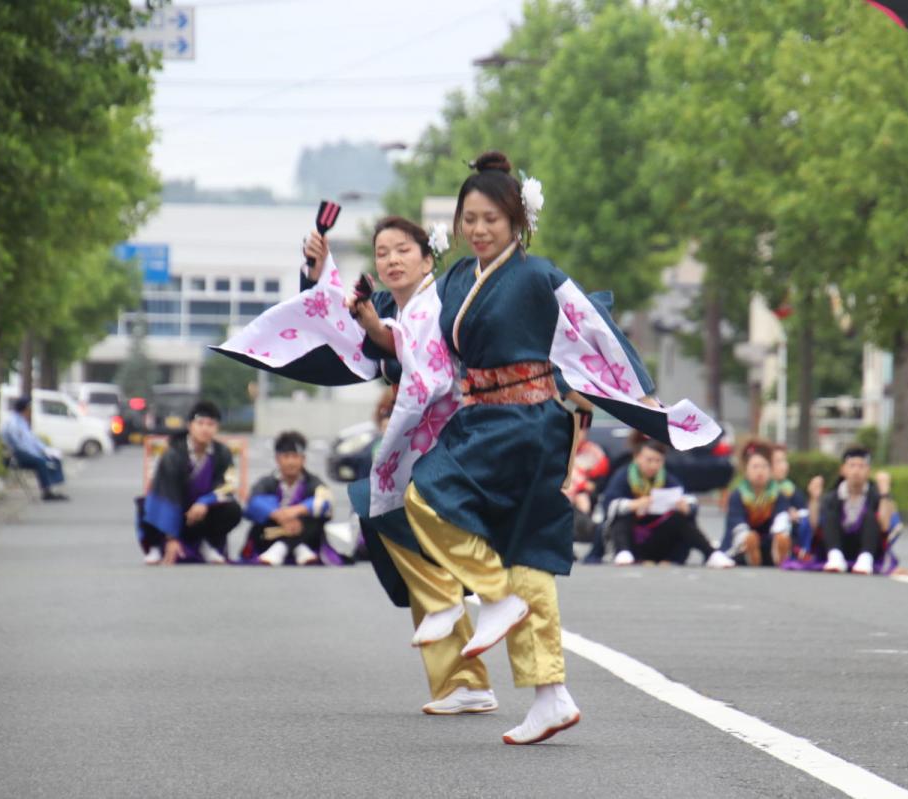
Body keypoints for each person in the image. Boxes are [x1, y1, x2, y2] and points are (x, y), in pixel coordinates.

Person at [396, 151, 720, 744]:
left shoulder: (539, 276)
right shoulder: (455, 280)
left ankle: (496, 601)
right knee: (516, 552)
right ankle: (551, 692)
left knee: (435, 498)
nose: (478, 228)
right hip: (482, 419)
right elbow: (418, 341)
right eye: (469, 217)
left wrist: (642, 397)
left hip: (525, 423)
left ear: (516, 219)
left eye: (491, 216)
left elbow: (596, 332)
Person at [216, 216, 497, 716]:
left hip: (453, 437)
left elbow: (420, 367)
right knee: (404, 541)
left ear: (428, 258)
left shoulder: (438, 303)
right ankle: (462, 682)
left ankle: (487, 618)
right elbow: (343, 320)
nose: (391, 259)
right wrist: (321, 268)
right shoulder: (392, 305)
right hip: (420, 435)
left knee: (394, 518)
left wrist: (379, 338)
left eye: (402, 250)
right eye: (382, 251)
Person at [135, 400, 242, 565]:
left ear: (217, 428)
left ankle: (205, 543)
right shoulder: (173, 454)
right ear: (190, 425)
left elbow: (228, 485)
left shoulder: (222, 453)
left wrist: (205, 502)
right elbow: (168, 493)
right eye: (200, 423)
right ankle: (157, 545)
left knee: (232, 510)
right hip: (173, 507)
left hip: (200, 512)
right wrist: (171, 537)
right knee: (149, 504)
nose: (205, 429)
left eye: (211, 424)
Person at [601, 439, 732, 567]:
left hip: (658, 536)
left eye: (658, 461)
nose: (653, 465)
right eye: (649, 460)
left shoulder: (666, 478)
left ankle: (711, 554)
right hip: (632, 537)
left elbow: (688, 498)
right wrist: (635, 504)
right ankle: (623, 552)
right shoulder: (623, 475)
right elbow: (609, 503)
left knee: (680, 518)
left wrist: (685, 507)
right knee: (622, 515)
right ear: (637, 458)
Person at [242, 431, 337, 566]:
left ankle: (281, 548)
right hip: (272, 533)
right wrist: (277, 514)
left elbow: (326, 502)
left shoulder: (313, 482)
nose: (291, 462)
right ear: (277, 459)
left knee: (312, 519)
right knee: (262, 517)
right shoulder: (267, 482)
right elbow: (253, 502)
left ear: (303, 459)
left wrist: (296, 510)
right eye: (286, 456)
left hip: (303, 531)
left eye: (295, 456)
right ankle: (299, 549)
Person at [819, 448, 899, 575]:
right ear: (843, 470)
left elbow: (885, 526)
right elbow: (816, 526)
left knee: (871, 516)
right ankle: (835, 556)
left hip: (867, 547)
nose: (856, 471)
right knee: (830, 515)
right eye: (852, 466)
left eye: (861, 466)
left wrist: (885, 493)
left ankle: (865, 558)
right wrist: (814, 499)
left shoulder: (875, 496)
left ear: (868, 471)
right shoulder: (832, 497)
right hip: (840, 543)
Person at [720, 442, 792, 566]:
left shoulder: (778, 494)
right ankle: (750, 553)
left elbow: (781, 517)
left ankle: (778, 554)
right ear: (746, 470)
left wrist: (780, 535)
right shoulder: (738, 494)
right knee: (743, 542)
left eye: (764, 467)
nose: (760, 471)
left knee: (781, 530)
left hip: (767, 540)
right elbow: (736, 522)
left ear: (770, 470)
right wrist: (747, 537)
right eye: (755, 467)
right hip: (742, 540)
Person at [0, 396, 68, 501]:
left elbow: (33, 441)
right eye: (29, 408)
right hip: (19, 454)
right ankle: (47, 492)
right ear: (25, 409)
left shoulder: (22, 422)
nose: (30, 411)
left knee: (53, 459)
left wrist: (46, 450)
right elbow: (19, 444)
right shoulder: (13, 422)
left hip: (28, 453)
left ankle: (51, 488)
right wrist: (38, 454)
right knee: (41, 462)